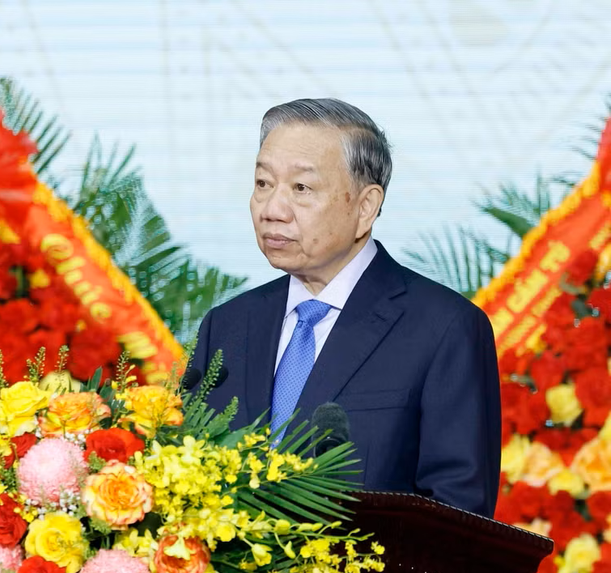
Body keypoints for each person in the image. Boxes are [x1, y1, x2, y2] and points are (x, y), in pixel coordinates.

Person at [189, 98, 501, 518]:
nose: (272, 210)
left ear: (365, 207)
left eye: (301, 189)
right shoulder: (227, 326)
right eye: (263, 183)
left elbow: (459, 519)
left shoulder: (444, 329)